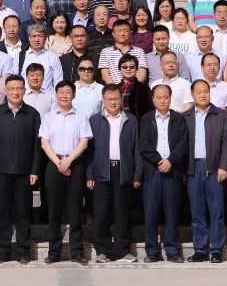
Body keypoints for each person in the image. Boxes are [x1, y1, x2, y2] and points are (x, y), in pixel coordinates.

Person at [0, 75, 43, 264]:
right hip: (1, 171)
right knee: (2, 212)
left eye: (19, 88)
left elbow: (37, 146)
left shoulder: (33, 114)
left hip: (24, 172)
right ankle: (4, 250)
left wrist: (35, 170)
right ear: (5, 91)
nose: (15, 92)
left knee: (23, 212)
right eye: (12, 89)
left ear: (24, 91)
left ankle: (23, 250)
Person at [87, 84, 141, 263]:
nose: (112, 102)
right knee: (101, 213)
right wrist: (89, 175)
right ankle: (102, 250)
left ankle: (123, 250)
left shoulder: (131, 120)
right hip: (101, 170)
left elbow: (136, 149)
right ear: (103, 100)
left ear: (121, 100)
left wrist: (137, 174)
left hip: (123, 170)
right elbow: (89, 151)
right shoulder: (94, 120)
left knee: (122, 212)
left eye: (116, 99)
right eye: (109, 99)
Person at [39, 81, 92, 264]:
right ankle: (54, 251)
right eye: (61, 92)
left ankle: (76, 251)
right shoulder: (48, 117)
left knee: (75, 209)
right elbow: (44, 143)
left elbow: (84, 142)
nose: (64, 95)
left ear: (74, 95)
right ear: (56, 95)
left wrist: (69, 160)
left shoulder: (81, 116)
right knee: (54, 210)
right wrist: (58, 162)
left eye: (68, 92)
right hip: (53, 164)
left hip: (75, 165)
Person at [184, 79, 227, 263]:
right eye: (198, 92)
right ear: (192, 95)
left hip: (214, 168)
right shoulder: (186, 116)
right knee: (197, 212)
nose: (203, 95)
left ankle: (217, 250)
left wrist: (224, 166)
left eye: (205, 91)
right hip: (193, 169)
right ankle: (200, 249)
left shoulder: (221, 114)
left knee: (216, 211)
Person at [140, 84, 189, 263]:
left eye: (165, 97)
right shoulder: (146, 119)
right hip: (152, 172)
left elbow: (183, 143)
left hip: (172, 171)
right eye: (159, 97)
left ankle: (173, 250)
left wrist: (171, 161)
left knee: (172, 212)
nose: (162, 100)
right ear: (153, 99)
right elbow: (144, 144)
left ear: (170, 98)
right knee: (151, 213)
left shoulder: (178, 119)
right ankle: (152, 251)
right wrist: (159, 161)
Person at [99, 20, 148, 85]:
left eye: (125, 31)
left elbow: (142, 75)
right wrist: (116, 90)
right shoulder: (105, 52)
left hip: (136, 89)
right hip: (114, 89)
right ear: (113, 34)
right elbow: (105, 76)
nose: (122, 34)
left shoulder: (139, 51)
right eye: (119, 31)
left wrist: (133, 88)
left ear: (130, 33)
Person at [21, 24, 65, 91]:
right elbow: (16, 80)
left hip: (47, 96)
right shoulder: (20, 57)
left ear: (45, 38)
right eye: (34, 36)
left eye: (40, 36)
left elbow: (58, 82)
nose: (37, 39)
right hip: (25, 96)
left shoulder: (53, 57)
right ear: (29, 38)